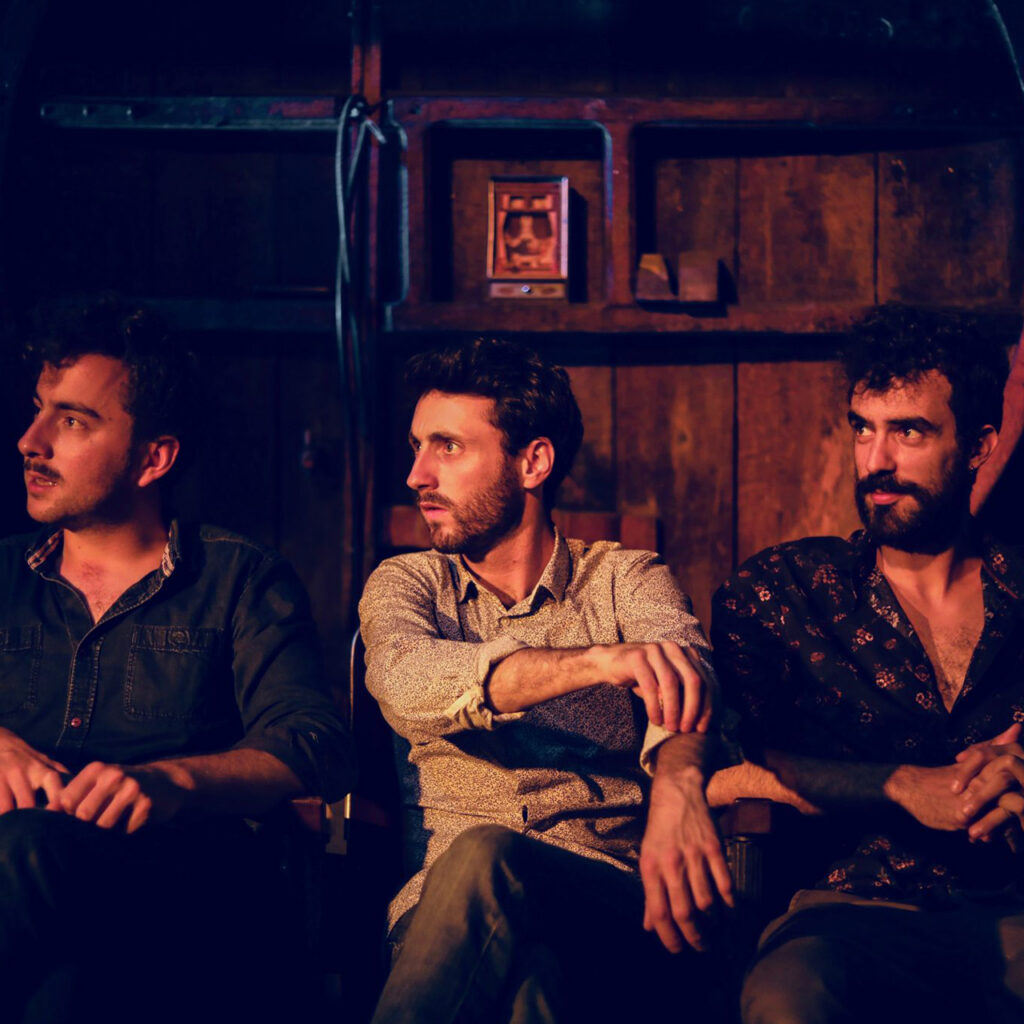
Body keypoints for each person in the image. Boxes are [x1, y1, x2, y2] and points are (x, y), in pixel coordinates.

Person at [0, 299, 354, 1024]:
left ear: (153, 458)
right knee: (62, 977)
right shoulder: (4, 577)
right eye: (38, 411)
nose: (30, 442)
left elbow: (312, 741)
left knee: (31, 854)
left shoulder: (240, 579)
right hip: (37, 913)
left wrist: (171, 782)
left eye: (73, 421)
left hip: (180, 902)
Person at [359, 337, 732, 1023]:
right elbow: (405, 677)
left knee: (488, 858)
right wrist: (598, 663)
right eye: (417, 447)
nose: (416, 475)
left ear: (533, 462)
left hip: (605, 900)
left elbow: (688, 676)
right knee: (528, 986)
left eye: (448, 447)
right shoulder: (407, 583)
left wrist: (679, 782)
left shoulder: (626, 578)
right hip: (444, 917)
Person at [709, 304, 1024, 1023]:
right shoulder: (784, 594)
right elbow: (717, 767)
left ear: (979, 445)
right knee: (788, 997)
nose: (876, 462)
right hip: (847, 910)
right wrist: (900, 786)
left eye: (909, 432)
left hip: (1012, 907)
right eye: (863, 429)